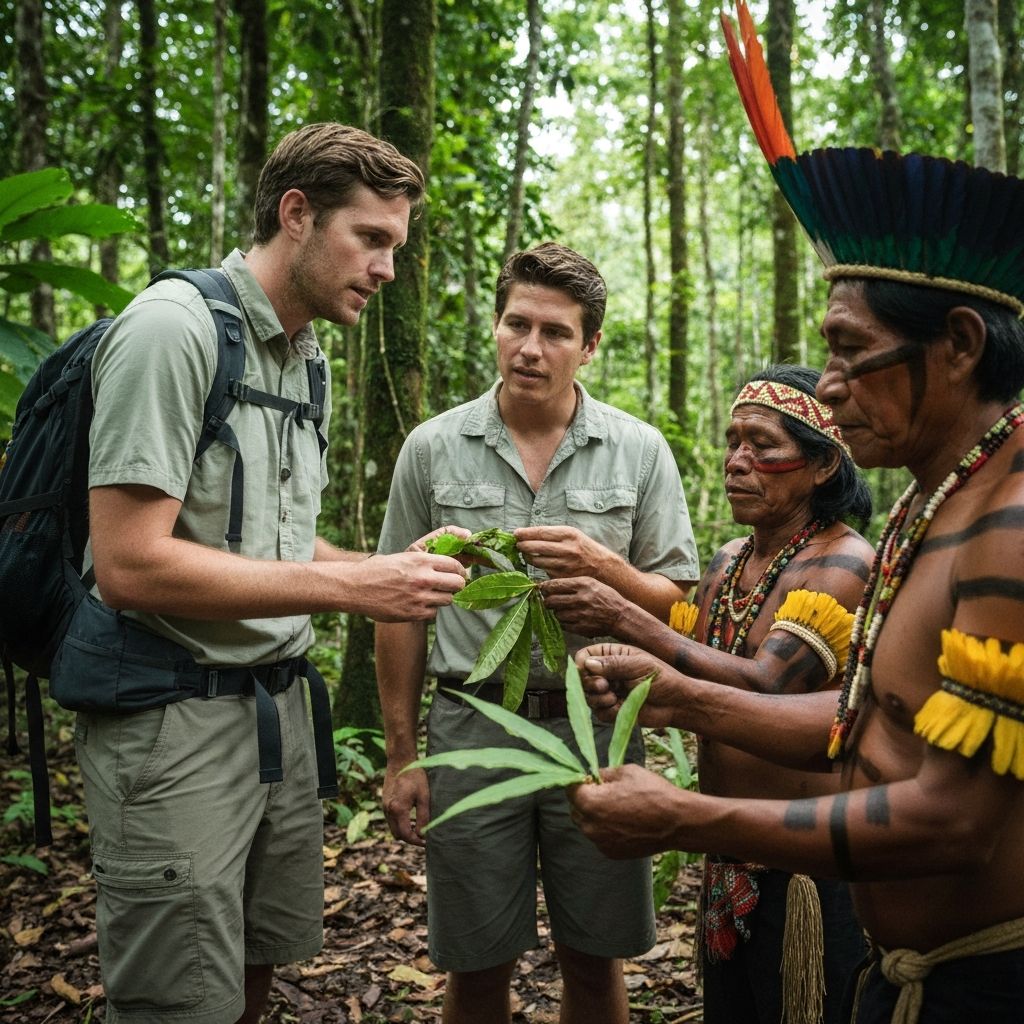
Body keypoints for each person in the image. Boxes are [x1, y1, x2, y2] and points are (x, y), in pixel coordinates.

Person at [568, 10, 1024, 1021]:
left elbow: (954, 821)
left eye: (848, 349)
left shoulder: (1010, 526)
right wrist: (675, 695)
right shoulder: (929, 510)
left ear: (956, 344)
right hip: (902, 977)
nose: (832, 383)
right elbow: (865, 723)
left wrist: (685, 816)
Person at [71, 123, 468, 1024]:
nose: (387, 269)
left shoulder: (304, 355)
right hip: (172, 719)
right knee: (180, 999)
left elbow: (272, 543)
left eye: (396, 246)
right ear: (296, 214)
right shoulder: (171, 332)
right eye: (371, 238)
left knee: (255, 967)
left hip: (275, 713)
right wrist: (353, 591)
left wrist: (389, 568)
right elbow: (129, 562)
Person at [375, 242, 700, 1024]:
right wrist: (402, 754)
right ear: (495, 327)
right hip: (469, 725)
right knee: (476, 961)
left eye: (556, 332)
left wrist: (604, 568)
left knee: (594, 957)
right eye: (517, 324)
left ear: (590, 346)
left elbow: (674, 600)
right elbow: (396, 604)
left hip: (596, 729)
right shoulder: (432, 447)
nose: (531, 347)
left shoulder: (638, 449)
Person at [543, 363, 874, 1024]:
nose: (736, 462)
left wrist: (622, 616)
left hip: (805, 868)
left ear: (822, 465)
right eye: (732, 442)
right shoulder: (726, 561)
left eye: (763, 446)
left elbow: (766, 685)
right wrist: (632, 685)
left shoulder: (843, 562)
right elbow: (701, 677)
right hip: (727, 863)